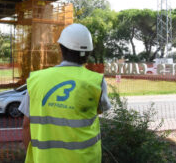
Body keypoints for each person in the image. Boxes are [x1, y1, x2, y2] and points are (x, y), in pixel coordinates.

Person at [19, 23, 111, 163]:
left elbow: (27, 125)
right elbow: (97, 111)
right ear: (88, 53)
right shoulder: (96, 81)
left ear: (61, 49)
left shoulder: (36, 80)